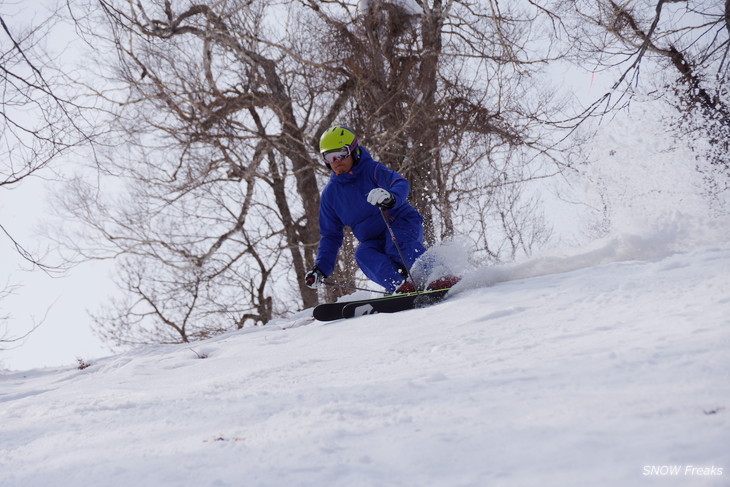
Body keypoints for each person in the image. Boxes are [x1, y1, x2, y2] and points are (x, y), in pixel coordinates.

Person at [304, 126, 426, 294]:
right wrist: (320, 269)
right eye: (330, 157)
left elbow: (400, 183)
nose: (336, 161)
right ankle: (401, 286)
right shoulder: (330, 195)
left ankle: (435, 275)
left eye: (341, 153)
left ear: (353, 151)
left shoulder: (372, 170)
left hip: (400, 223)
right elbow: (331, 236)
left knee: (395, 242)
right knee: (363, 254)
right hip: (372, 239)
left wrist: (390, 197)